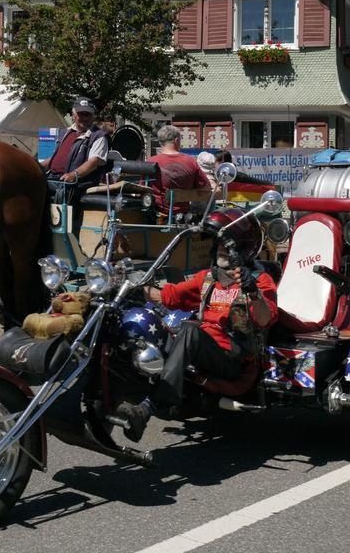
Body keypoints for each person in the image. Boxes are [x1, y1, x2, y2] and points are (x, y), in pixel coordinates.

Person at [115, 209, 278, 442]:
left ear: (242, 247)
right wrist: (126, 285)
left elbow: (265, 318)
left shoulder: (261, 280)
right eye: (218, 243)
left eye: (226, 244)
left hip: (232, 356)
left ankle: (148, 408)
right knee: (154, 329)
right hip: (200, 347)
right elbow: (168, 296)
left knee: (189, 329)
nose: (220, 248)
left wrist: (253, 292)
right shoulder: (209, 277)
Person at [39, 97, 108, 203]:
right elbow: (54, 157)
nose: (84, 117)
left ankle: (59, 219)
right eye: (81, 114)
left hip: (76, 183)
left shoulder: (98, 136)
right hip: (54, 178)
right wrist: (35, 166)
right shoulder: (65, 132)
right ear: (73, 115)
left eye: (88, 114)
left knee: (37, 187)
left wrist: (74, 175)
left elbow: (93, 162)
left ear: (93, 116)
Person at [147, 124, 209, 213]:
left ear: (160, 142)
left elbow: (144, 188)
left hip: (155, 215)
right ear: (176, 140)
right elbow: (205, 188)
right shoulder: (190, 161)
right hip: (183, 217)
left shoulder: (150, 162)